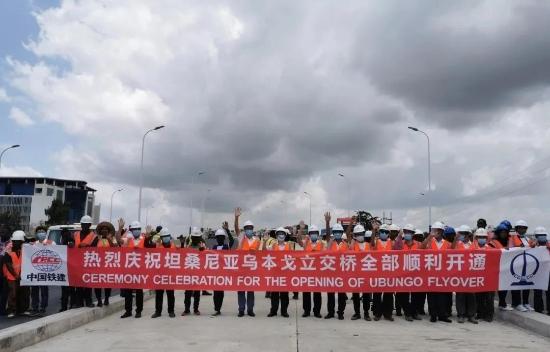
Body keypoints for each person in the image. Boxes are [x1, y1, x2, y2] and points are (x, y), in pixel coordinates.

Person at [421, 221, 452, 323]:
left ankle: (442, 315)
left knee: (442, 296)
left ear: (442, 232)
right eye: (434, 230)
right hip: (431, 273)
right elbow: (422, 248)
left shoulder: (447, 244)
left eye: (438, 231)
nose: (436, 233)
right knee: (431, 296)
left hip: (443, 274)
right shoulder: (429, 241)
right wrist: (430, 236)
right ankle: (433, 315)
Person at [393, 224, 421, 322]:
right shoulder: (400, 243)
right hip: (402, 273)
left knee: (415, 295)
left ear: (413, 234)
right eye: (405, 232)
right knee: (401, 295)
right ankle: (408, 313)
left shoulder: (418, 244)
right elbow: (394, 248)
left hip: (415, 273)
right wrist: (399, 236)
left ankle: (414, 312)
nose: (407, 234)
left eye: (409, 232)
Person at [118, 219, 145, 318]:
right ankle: (128, 311)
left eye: (138, 229)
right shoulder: (128, 239)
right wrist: (120, 228)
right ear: (131, 230)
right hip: (129, 269)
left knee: (139, 291)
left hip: (140, 270)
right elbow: (118, 240)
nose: (136, 230)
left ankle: (139, 311)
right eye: (134, 229)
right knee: (128, 291)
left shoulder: (144, 240)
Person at [296, 223, 325, 318]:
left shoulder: (321, 244)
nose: (313, 235)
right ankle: (306, 311)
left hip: (317, 272)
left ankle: (317, 311)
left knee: (317, 293)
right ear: (309, 234)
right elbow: (298, 239)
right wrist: (300, 229)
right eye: (311, 233)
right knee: (306, 293)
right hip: (307, 271)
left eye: (315, 233)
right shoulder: (306, 244)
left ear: (317, 234)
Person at [235, 207, 259, 317]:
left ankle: (250, 309)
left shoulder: (256, 240)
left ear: (253, 229)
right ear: (244, 229)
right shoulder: (241, 237)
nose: (249, 229)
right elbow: (236, 229)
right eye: (247, 228)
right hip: (241, 268)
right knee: (241, 290)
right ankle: (241, 309)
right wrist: (236, 218)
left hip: (251, 269)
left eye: (250, 228)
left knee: (250, 290)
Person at [324, 212, 348, 320]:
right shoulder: (330, 243)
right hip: (331, 272)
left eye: (339, 232)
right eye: (336, 232)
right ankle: (330, 312)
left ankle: (340, 312)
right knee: (330, 294)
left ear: (342, 233)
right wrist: (327, 222)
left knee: (342, 294)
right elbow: (328, 235)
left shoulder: (346, 244)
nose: (337, 233)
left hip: (342, 272)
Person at [453, 225, 478, 324]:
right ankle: (461, 315)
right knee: (460, 295)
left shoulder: (474, 245)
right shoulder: (457, 244)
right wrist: (456, 239)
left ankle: (471, 315)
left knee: (471, 295)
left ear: (468, 235)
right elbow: (450, 252)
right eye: (461, 233)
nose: (462, 236)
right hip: (460, 274)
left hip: (471, 274)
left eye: (464, 234)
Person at [3, 230, 30, 318]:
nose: (22, 243)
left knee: (24, 293)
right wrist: (16, 275)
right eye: (20, 242)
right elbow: (8, 264)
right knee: (13, 293)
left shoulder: (24, 249)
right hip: (12, 276)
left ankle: (22, 309)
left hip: (22, 275)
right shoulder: (9, 250)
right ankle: (11, 310)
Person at [509, 220, 534, 312]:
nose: (522, 229)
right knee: (516, 285)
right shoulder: (512, 238)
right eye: (520, 227)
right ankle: (516, 303)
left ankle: (525, 302)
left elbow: (533, 247)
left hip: (527, 265)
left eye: (524, 228)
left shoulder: (528, 239)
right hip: (516, 265)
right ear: (516, 229)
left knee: (526, 284)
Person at [371, 223, 395, 321]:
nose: (383, 233)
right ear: (379, 233)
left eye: (385, 232)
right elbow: (371, 243)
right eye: (382, 232)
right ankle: (377, 313)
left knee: (388, 294)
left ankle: (388, 314)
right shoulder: (376, 242)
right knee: (377, 294)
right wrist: (373, 230)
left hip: (389, 272)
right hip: (378, 272)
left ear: (388, 234)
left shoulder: (392, 243)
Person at [473, 228, 496, 322]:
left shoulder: (491, 249)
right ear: (476, 238)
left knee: (489, 297)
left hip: (488, 277)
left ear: (486, 238)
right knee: (479, 297)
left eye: (483, 237)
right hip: (477, 276)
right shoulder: (472, 249)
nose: (481, 238)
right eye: (479, 237)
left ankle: (489, 315)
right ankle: (480, 313)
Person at [267, 227, 292, 318]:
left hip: (285, 272)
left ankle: (284, 311)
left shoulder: (288, 245)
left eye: (282, 233)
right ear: (276, 236)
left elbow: (292, 258)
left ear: (285, 235)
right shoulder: (273, 245)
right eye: (279, 234)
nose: (281, 235)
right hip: (275, 271)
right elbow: (264, 253)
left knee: (284, 293)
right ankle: (273, 310)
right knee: (274, 293)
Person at [152, 228, 176, 318]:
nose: (165, 238)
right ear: (161, 238)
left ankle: (171, 311)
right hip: (160, 274)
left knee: (170, 294)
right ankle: (158, 311)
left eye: (167, 236)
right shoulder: (158, 246)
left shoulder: (174, 246)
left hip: (170, 274)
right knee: (159, 294)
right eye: (163, 237)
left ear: (169, 237)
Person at [73, 215, 96, 308]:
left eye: (86, 224)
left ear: (90, 225)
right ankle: (79, 303)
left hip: (88, 262)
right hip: (77, 263)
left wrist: (86, 247)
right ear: (81, 224)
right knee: (78, 284)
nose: (85, 226)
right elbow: (72, 244)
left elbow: (96, 249)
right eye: (83, 224)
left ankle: (88, 302)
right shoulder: (75, 234)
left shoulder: (94, 236)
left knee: (87, 284)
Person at [350, 225, 372, 321]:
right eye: (357, 234)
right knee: (355, 295)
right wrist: (352, 240)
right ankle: (357, 313)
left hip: (366, 273)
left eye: (361, 234)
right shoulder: (354, 245)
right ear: (355, 235)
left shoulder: (368, 245)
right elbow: (350, 252)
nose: (360, 236)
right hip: (356, 273)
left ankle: (366, 313)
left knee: (366, 295)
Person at [182, 227, 206, 316]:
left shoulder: (202, 245)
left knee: (197, 292)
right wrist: (185, 247)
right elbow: (183, 256)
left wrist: (202, 249)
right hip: (189, 272)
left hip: (198, 272)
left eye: (197, 237)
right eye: (194, 237)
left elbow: (206, 258)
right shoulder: (188, 244)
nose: (196, 239)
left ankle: (196, 309)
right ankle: (187, 309)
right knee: (187, 292)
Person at [94, 221, 117, 307]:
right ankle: (99, 300)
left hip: (108, 265)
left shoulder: (112, 238)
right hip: (98, 265)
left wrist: (109, 239)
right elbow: (91, 248)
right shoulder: (96, 238)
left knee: (107, 283)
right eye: (102, 229)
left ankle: (106, 299)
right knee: (97, 283)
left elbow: (116, 248)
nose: (104, 230)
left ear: (108, 231)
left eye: (106, 229)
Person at [211, 227, 233, 316]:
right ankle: (216, 309)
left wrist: (227, 230)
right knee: (215, 292)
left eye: (221, 237)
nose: (220, 238)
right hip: (215, 273)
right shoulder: (214, 247)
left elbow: (232, 241)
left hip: (223, 273)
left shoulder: (226, 246)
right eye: (218, 237)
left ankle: (218, 308)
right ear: (216, 238)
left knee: (221, 292)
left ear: (224, 238)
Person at [493, 220, 514, 311]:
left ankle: (502, 302)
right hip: (496, 267)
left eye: (505, 232)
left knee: (505, 285)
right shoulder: (493, 242)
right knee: (497, 286)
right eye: (501, 232)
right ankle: (500, 303)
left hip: (507, 267)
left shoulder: (510, 240)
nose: (503, 234)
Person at [532, 226, 549, 315]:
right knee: (537, 292)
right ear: (536, 236)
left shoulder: (549, 246)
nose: (542, 237)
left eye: (543, 235)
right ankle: (538, 309)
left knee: (549, 292)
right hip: (537, 272)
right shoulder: (532, 247)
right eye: (540, 235)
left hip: (548, 272)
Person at [59, 228, 76, 312]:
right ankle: (65, 306)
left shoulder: (70, 240)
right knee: (65, 290)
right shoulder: (62, 241)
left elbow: (72, 246)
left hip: (70, 269)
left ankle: (70, 305)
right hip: (64, 268)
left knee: (70, 289)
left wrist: (70, 244)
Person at [412, 228, 427, 315]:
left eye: (420, 236)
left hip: (423, 272)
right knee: (415, 294)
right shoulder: (413, 244)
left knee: (422, 293)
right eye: (417, 236)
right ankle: (415, 309)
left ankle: (420, 308)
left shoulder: (425, 245)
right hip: (414, 272)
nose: (418, 238)